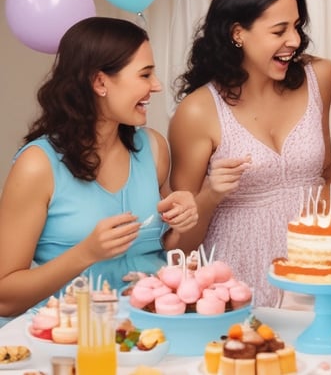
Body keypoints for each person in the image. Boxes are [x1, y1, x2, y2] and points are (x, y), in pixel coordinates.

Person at [169, 0, 331, 307]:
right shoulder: (198, 111)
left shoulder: (319, 77)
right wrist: (210, 195)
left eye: (296, 26)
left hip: (315, 278)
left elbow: (327, 171)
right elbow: (179, 246)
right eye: (279, 30)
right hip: (235, 288)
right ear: (238, 33)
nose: (294, 40)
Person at [0, 17, 198, 318]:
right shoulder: (37, 165)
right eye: (145, 74)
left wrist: (183, 221)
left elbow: (170, 250)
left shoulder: (154, 148)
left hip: (152, 330)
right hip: (70, 333)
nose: (156, 85)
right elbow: (5, 297)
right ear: (100, 82)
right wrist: (86, 253)